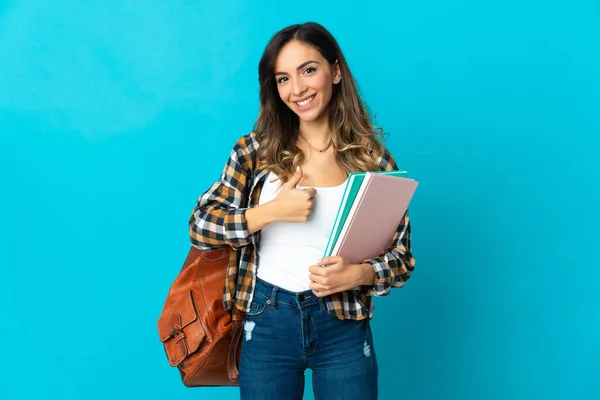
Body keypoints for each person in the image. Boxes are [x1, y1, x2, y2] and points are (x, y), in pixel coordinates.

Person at [189, 21, 415, 400]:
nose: (297, 89)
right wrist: (269, 212)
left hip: (342, 324)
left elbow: (402, 259)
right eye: (282, 78)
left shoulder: (372, 160)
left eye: (308, 69)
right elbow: (200, 225)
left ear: (336, 71)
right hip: (265, 318)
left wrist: (358, 274)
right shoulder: (254, 151)